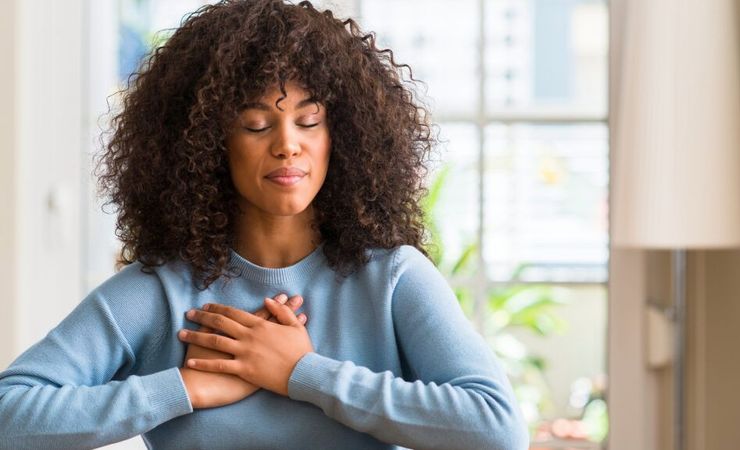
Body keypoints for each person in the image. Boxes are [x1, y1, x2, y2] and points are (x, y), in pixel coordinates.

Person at [0, 1, 529, 449]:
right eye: (255, 123)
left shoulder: (391, 278)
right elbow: (10, 413)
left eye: (309, 120)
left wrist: (303, 373)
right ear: (208, 143)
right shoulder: (159, 290)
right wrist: (182, 388)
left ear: (339, 135)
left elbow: (496, 427)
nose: (286, 143)